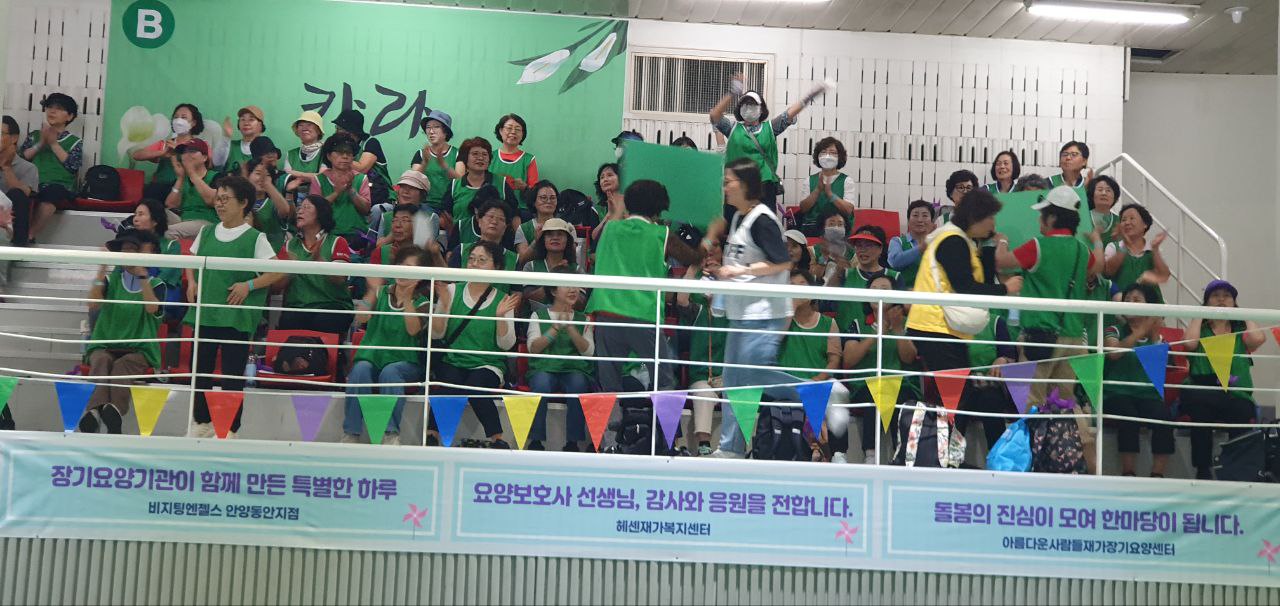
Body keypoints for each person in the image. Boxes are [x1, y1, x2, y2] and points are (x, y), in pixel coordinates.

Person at [587, 179, 707, 433]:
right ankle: (666, 441)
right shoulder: (661, 234)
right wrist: (712, 234)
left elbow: (611, 228)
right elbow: (694, 257)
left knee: (608, 385)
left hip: (606, 313)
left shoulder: (610, 229)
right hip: (643, 315)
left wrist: (617, 209)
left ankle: (609, 444)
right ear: (659, 208)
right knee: (664, 380)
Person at [183, 176, 283, 438]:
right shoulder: (206, 232)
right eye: (218, 198)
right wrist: (192, 281)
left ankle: (229, 428)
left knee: (232, 376)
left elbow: (276, 271)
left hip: (235, 317)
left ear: (243, 203)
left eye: (226, 199)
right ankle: (201, 423)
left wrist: (248, 285)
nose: (219, 204)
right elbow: (191, 259)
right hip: (206, 313)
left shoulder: (255, 238)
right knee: (200, 372)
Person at [710, 158, 798, 459]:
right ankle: (730, 448)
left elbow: (783, 262)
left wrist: (740, 271)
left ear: (745, 184)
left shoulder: (763, 219)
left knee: (755, 378)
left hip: (764, 313)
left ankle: (824, 395)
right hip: (741, 312)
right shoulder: (738, 217)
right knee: (734, 381)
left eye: (728, 181)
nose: (724, 187)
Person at [906, 189, 1021, 415]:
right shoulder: (952, 240)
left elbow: (979, 280)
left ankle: (942, 437)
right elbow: (965, 286)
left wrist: (990, 246)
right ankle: (931, 437)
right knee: (954, 400)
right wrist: (1005, 289)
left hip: (944, 327)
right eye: (990, 217)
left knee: (956, 398)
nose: (994, 223)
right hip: (933, 325)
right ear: (976, 216)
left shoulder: (963, 241)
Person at [429, 240, 521, 448]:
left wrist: (499, 317)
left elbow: (506, 345)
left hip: (488, 364)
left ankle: (497, 439)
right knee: (449, 386)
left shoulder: (504, 300)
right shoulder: (451, 291)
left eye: (482, 260)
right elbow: (437, 334)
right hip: (453, 360)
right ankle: (432, 436)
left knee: (476, 387)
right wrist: (443, 306)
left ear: (496, 267)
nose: (474, 264)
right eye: (471, 259)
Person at [344, 246, 433, 446]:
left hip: (405, 362)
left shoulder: (423, 303)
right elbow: (361, 318)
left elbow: (413, 330)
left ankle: (390, 433)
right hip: (373, 357)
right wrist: (372, 290)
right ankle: (351, 433)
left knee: (390, 373)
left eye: (410, 268)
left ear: (421, 275)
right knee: (360, 370)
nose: (403, 271)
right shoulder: (381, 293)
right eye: (401, 265)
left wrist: (407, 299)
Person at [80, 229, 165, 434]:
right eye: (123, 250)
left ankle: (113, 411)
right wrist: (102, 268)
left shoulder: (157, 284)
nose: (127, 255)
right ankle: (95, 411)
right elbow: (93, 302)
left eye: (131, 250)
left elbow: (152, 308)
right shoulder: (111, 280)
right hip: (106, 344)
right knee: (100, 360)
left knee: (122, 365)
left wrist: (142, 275)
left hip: (139, 349)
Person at [1180, 280, 1266, 480]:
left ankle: (1237, 469)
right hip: (1202, 390)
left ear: (1234, 302)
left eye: (1227, 296)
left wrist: (1243, 315)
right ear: (1206, 302)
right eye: (1215, 296)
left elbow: (1257, 339)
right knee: (1200, 412)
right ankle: (1203, 469)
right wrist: (1200, 314)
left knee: (1243, 411)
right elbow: (1190, 344)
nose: (1221, 299)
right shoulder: (1201, 329)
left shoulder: (1240, 330)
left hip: (1234, 392)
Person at [710, 74, 829, 209]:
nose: (749, 107)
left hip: (764, 185)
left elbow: (789, 114)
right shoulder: (733, 129)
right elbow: (715, 115)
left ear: (761, 109)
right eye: (745, 104)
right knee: (735, 220)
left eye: (753, 104)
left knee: (763, 219)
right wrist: (733, 91)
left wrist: (809, 97)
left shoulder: (770, 128)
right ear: (740, 108)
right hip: (736, 185)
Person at [840, 272, 918, 464]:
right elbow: (849, 359)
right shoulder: (857, 324)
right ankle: (870, 455)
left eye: (884, 289)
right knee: (873, 395)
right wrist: (877, 334)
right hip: (864, 386)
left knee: (903, 402)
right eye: (874, 289)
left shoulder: (907, 324)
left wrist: (897, 329)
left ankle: (902, 456)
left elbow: (908, 358)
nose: (878, 293)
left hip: (901, 384)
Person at [775, 272, 849, 461]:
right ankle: (817, 449)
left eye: (802, 284)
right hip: (787, 383)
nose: (796, 289)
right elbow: (774, 342)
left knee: (834, 392)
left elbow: (834, 360)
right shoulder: (780, 321)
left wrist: (816, 379)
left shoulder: (828, 323)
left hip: (818, 381)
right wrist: (790, 310)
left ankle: (837, 453)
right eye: (791, 285)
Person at [1103, 283, 1173, 477]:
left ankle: (1157, 475)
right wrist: (1139, 333)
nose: (1130, 303)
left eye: (1136, 300)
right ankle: (1128, 473)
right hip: (1117, 393)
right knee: (1128, 416)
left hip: (1148, 395)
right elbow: (1113, 353)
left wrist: (1154, 336)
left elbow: (1166, 365)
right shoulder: (1114, 329)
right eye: (1127, 299)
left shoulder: (1159, 337)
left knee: (1164, 416)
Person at [526, 267, 595, 452]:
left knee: (578, 385)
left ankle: (573, 442)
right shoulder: (538, 315)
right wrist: (555, 328)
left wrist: (571, 328)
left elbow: (589, 352)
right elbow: (533, 348)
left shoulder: (584, 319)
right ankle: (535, 440)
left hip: (574, 369)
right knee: (540, 385)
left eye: (575, 285)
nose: (573, 290)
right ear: (554, 290)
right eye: (566, 285)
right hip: (544, 368)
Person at [275, 195, 354, 346]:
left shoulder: (337, 242)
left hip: (331, 307)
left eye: (306, 207)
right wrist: (289, 269)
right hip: (298, 307)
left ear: (320, 214)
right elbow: (276, 287)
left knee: (323, 321)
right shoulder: (290, 245)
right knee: (289, 320)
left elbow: (340, 279)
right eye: (300, 207)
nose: (300, 211)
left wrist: (319, 261)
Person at [676, 243, 729, 456]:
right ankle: (704, 446)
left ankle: (736, 445)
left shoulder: (732, 313)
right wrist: (694, 266)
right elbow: (681, 299)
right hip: (701, 375)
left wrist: (723, 275)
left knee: (741, 395)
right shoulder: (698, 311)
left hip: (729, 375)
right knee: (704, 395)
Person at [19, 93, 82, 243]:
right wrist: (41, 143)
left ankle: (29, 235)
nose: (52, 111)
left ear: (70, 116)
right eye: (49, 107)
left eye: (59, 108)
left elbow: (73, 166)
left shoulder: (74, 141)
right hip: (33, 183)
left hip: (59, 186)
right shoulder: (34, 136)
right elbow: (21, 159)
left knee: (52, 192)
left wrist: (53, 143)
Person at [955, 313, 1018, 461]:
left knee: (990, 401)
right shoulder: (954, 323)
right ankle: (951, 461)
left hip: (990, 387)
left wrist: (1003, 360)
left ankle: (998, 460)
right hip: (961, 385)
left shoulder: (996, 322)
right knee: (956, 405)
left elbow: (1010, 355)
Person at [829, 225, 898, 333]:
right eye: (859, 245)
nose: (862, 250)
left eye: (868, 245)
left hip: (883, 337)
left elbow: (898, 312)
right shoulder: (844, 274)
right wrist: (837, 273)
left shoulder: (894, 277)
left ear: (880, 248)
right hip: (845, 337)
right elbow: (826, 303)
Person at [133, 103, 205, 201]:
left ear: (193, 123)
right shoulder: (165, 144)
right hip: (160, 190)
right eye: (176, 117)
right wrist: (161, 153)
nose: (178, 120)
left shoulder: (200, 145)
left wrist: (180, 151)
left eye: (183, 117)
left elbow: (208, 165)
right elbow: (136, 155)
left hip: (186, 190)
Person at [310, 134, 372, 248]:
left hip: (355, 237)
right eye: (339, 152)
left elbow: (366, 209)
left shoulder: (361, 178)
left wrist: (350, 189)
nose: (345, 156)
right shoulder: (319, 180)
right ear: (329, 156)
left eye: (349, 153)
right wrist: (336, 193)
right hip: (326, 236)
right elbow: (314, 210)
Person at [1103, 203, 1169, 302]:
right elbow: (1108, 272)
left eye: (1132, 218)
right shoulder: (1113, 247)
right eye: (1123, 220)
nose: (1127, 222)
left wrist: (1155, 249)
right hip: (1122, 304)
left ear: (1145, 224)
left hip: (1151, 306)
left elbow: (1164, 275)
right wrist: (1125, 245)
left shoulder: (1153, 249)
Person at [441, 137, 514, 224]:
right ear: (465, 158)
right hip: (460, 231)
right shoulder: (454, 185)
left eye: (484, 154)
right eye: (475, 154)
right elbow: (445, 214)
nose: (480, 158)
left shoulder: (501, 183)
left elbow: (513, 213)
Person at [332, 109, 393, 206]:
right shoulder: (342, 147)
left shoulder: (370, 143)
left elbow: (362, 168)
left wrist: (336, 156)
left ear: (350, 132)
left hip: (380, 198)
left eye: (339, 129)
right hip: (353, 196)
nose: (335, 132)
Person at [795, 137, 853, 236]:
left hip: (838, 230)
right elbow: (803, 208)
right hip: (812, 230)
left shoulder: (846, 181)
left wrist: (830, 194)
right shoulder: (809, 180)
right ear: (818, 156)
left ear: (840, 157)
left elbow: (848, 210)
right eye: (823, 152)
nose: (827, 156)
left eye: (832, 152)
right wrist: (817, 190)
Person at [448, 196, 519, 278]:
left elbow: (516, 287)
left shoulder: (514, 260)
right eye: (490, 217)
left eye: (501, 219)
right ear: (479, 221)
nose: (494, 222)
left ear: (505, 227)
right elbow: (450, 282)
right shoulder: (461, 251)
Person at [164, 139, 219, 240]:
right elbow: (171, 205)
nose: (187, 155)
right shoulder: (183, 179)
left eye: (192, 151)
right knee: (153, 214)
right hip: (183, 220)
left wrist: (192, 173)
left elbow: (212, 201)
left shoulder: (217, 177)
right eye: (184, 152)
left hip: (207, 222)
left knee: (168, 231)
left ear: (204, 157)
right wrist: (180, 178)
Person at [410, 110, 461, 215]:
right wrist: (425, 163)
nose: (431, 131)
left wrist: (443, 165)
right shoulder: (421, 154)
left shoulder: (457, 153)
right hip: (426, 205)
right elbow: (413, 181)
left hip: (451, 206)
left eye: (436, 127)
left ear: (446, 132)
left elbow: (461, 181)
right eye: (428, 127)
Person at [520, 218, 579, 306]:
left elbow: (581, 304)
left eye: (560, 234)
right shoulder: (530, 266)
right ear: (543, 240)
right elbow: (529, 298)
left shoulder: (576, 269)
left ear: (567, 240)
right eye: (550, 234)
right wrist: (555, 275)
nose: (555, 238)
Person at [1, 115, 39, 247]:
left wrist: (7, 167)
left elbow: (22, 196)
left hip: (10, 222)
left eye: (1, 133)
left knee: (17, 194)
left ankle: (19, 247)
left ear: (14, 138)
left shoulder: (28, 168)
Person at [490, 113, 538, 205]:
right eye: (509, 128)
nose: (513, 132)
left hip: (519, 209)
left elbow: (535, 193)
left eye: (518, 129)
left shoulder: (529, 159)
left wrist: (525, 188)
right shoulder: (489, 156)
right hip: (491, 207)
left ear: (522, 134)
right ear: (500, 131)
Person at [245, 157, 292, 251]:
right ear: (248, 176)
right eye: (258, 173)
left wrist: (267, 185)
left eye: (267, 175)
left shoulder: (274, 203)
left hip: (272, 254)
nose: (262, 178)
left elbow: (285, 211)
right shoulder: (240, 204)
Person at [888, 199, 935, 289]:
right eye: (915, 215)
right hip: (903, 294)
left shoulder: (938, 243)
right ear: (908, 220)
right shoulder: (897, 241)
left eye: (925, 216)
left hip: (930, 294)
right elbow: (894, 262)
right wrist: (921, 248)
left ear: (932, 222)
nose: (920, 220)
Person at [515, 180, 563, 266]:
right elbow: (522, 260)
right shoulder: (524, 228)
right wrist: (536, 241)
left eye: (552, 198)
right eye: (543, 198)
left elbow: (572, 260)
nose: (548, 201)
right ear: (534, 202)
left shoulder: (564, 226)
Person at [281, 110, 326, 198]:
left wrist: (294, 173)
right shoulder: (291, 154)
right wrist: (310, 176)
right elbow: (287, 177)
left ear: (319, 130)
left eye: (309, 124)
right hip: (292, 199)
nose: (304, 128)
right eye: (301, 125)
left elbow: (321, 178)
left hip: (318, 199)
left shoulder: (326, 152)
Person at [220, 105, 265, 177]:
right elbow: (216, 164)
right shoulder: (230, 145)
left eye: (251, 119)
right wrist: (226, 137)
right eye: (243, 119)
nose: (246, 123)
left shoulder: (266, 148)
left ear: (260, 125)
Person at [588, 163, 622, 240]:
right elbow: (594, 237)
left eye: (610, 175)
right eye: (602, 177)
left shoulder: (630, 203)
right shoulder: (597, 208)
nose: (605, 179)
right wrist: (609, 214)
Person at [1086, 175, 1121, 247]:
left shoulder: (1120, 222)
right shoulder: (1083, 218)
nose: (1104, 193)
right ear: (1092, 195)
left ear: (1115, 198)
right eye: (1100, 190)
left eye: (1108, 190)